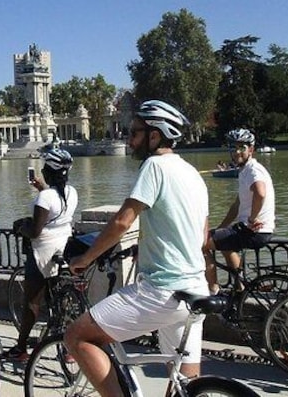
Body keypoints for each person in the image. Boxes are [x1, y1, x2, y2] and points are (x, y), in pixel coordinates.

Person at [64, 100, 209, 396]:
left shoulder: (154, 166)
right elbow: (202, 236)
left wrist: (85, 259)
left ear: (154, 135)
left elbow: (121, 222)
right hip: (195, 289)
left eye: (134, 132)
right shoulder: (193, 174)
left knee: (77, 336)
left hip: (160, 291)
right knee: (186, 386)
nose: (129, 139)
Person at [6, 148, 79, 362]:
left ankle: (21, 349)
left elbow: (35, 231)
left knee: (32, 303)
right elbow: (56, 208)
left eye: (45, 168)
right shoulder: (71, 192)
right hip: (64, 247)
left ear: (49, 170)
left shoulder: (45, 197)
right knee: (59, 300)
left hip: (42, 253)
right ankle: (67, 349)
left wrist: (20, 228)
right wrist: (42, 188)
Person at [204, 128, 275, 294]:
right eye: (233, 148)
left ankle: (213, 288)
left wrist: (252, 218)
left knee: (201, 243)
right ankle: (240, 287)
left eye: (242, 147)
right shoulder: (244, 171)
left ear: (251, 149)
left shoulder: (253, 170)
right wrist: (220, 228)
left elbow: (260, 192)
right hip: (253, 229)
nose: (237, 152)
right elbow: (236, 205)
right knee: (224, 243)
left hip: (255, 230)